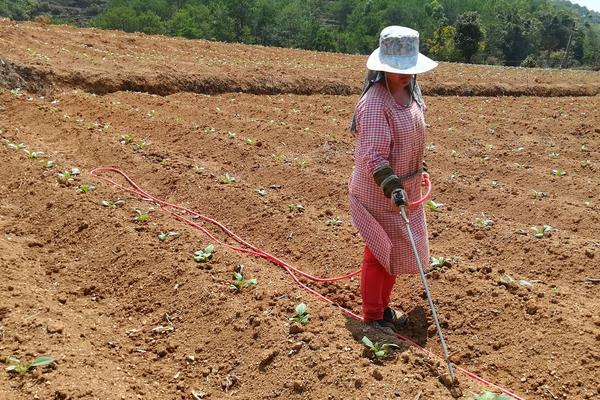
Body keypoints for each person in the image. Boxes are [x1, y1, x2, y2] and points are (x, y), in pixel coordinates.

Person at [349, 26, 438, 334]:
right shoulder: (374, 103)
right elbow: (373, 156)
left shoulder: (412, 95)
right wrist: (393, 186)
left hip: (403, 190)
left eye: (410, 70)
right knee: (378, 252)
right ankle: (373, 317)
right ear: (382, 68)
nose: (407, 75)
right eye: (399, 70)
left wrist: (419, 165)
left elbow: (412, 139)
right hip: (377, 191)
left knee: (396, 252)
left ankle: (383, 308)